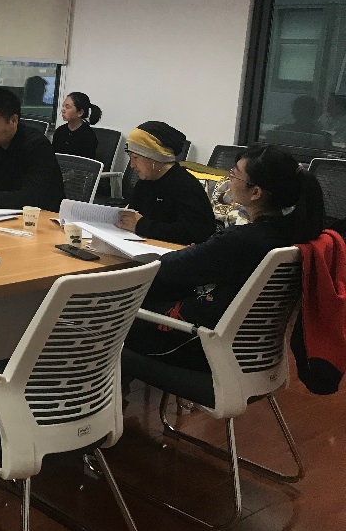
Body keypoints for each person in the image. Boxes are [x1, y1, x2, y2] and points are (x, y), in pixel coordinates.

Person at [125, 144, 325, 371]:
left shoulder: (242, 240)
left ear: (255, 192)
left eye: (234, 174)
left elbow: (167, 268)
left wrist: (199, 253)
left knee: (114, 319)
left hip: (203, 345)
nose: (229, 178)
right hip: (246, 349)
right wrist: (205, 252)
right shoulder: (289, 234)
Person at [115, 121, 215, 244]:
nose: (132, 165)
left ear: (155, 157)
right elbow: (133, 218)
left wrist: (142, 226)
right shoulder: (144, 183)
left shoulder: (186, 186)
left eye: (135, 157)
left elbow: (194, 233)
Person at [52, 91, 101, 160]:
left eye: (67, 107)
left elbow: (86, 163)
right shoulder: (60, 131)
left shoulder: (88, 136)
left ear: (80, 113)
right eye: (63, 106)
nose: (63, 110)